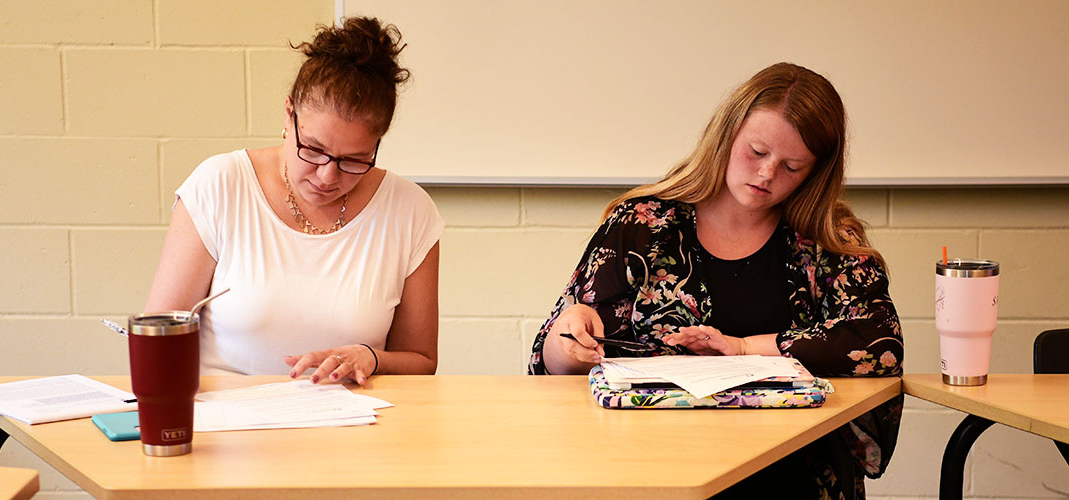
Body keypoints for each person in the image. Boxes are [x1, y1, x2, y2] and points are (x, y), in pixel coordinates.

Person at [528, 63, 903, 499]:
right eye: (757, 152)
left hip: (792, 474)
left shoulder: (828, 241)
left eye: (792, 167)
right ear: (726, 134)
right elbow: (548, 364)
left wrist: (745, 347)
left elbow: (879, 343)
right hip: (652, 473)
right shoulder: (642, 225)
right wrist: (568, 336)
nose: (766, 175)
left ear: (816, 172)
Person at [145, 17, 443, 385]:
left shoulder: (410, 211)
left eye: (353, 160)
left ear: (378, 143)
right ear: (289, 114)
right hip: (227, 425)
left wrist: (371, 357)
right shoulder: (219, 185)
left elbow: (421, 360)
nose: (327, 176)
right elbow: (157, 341)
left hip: (354, 427)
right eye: (313, 150)